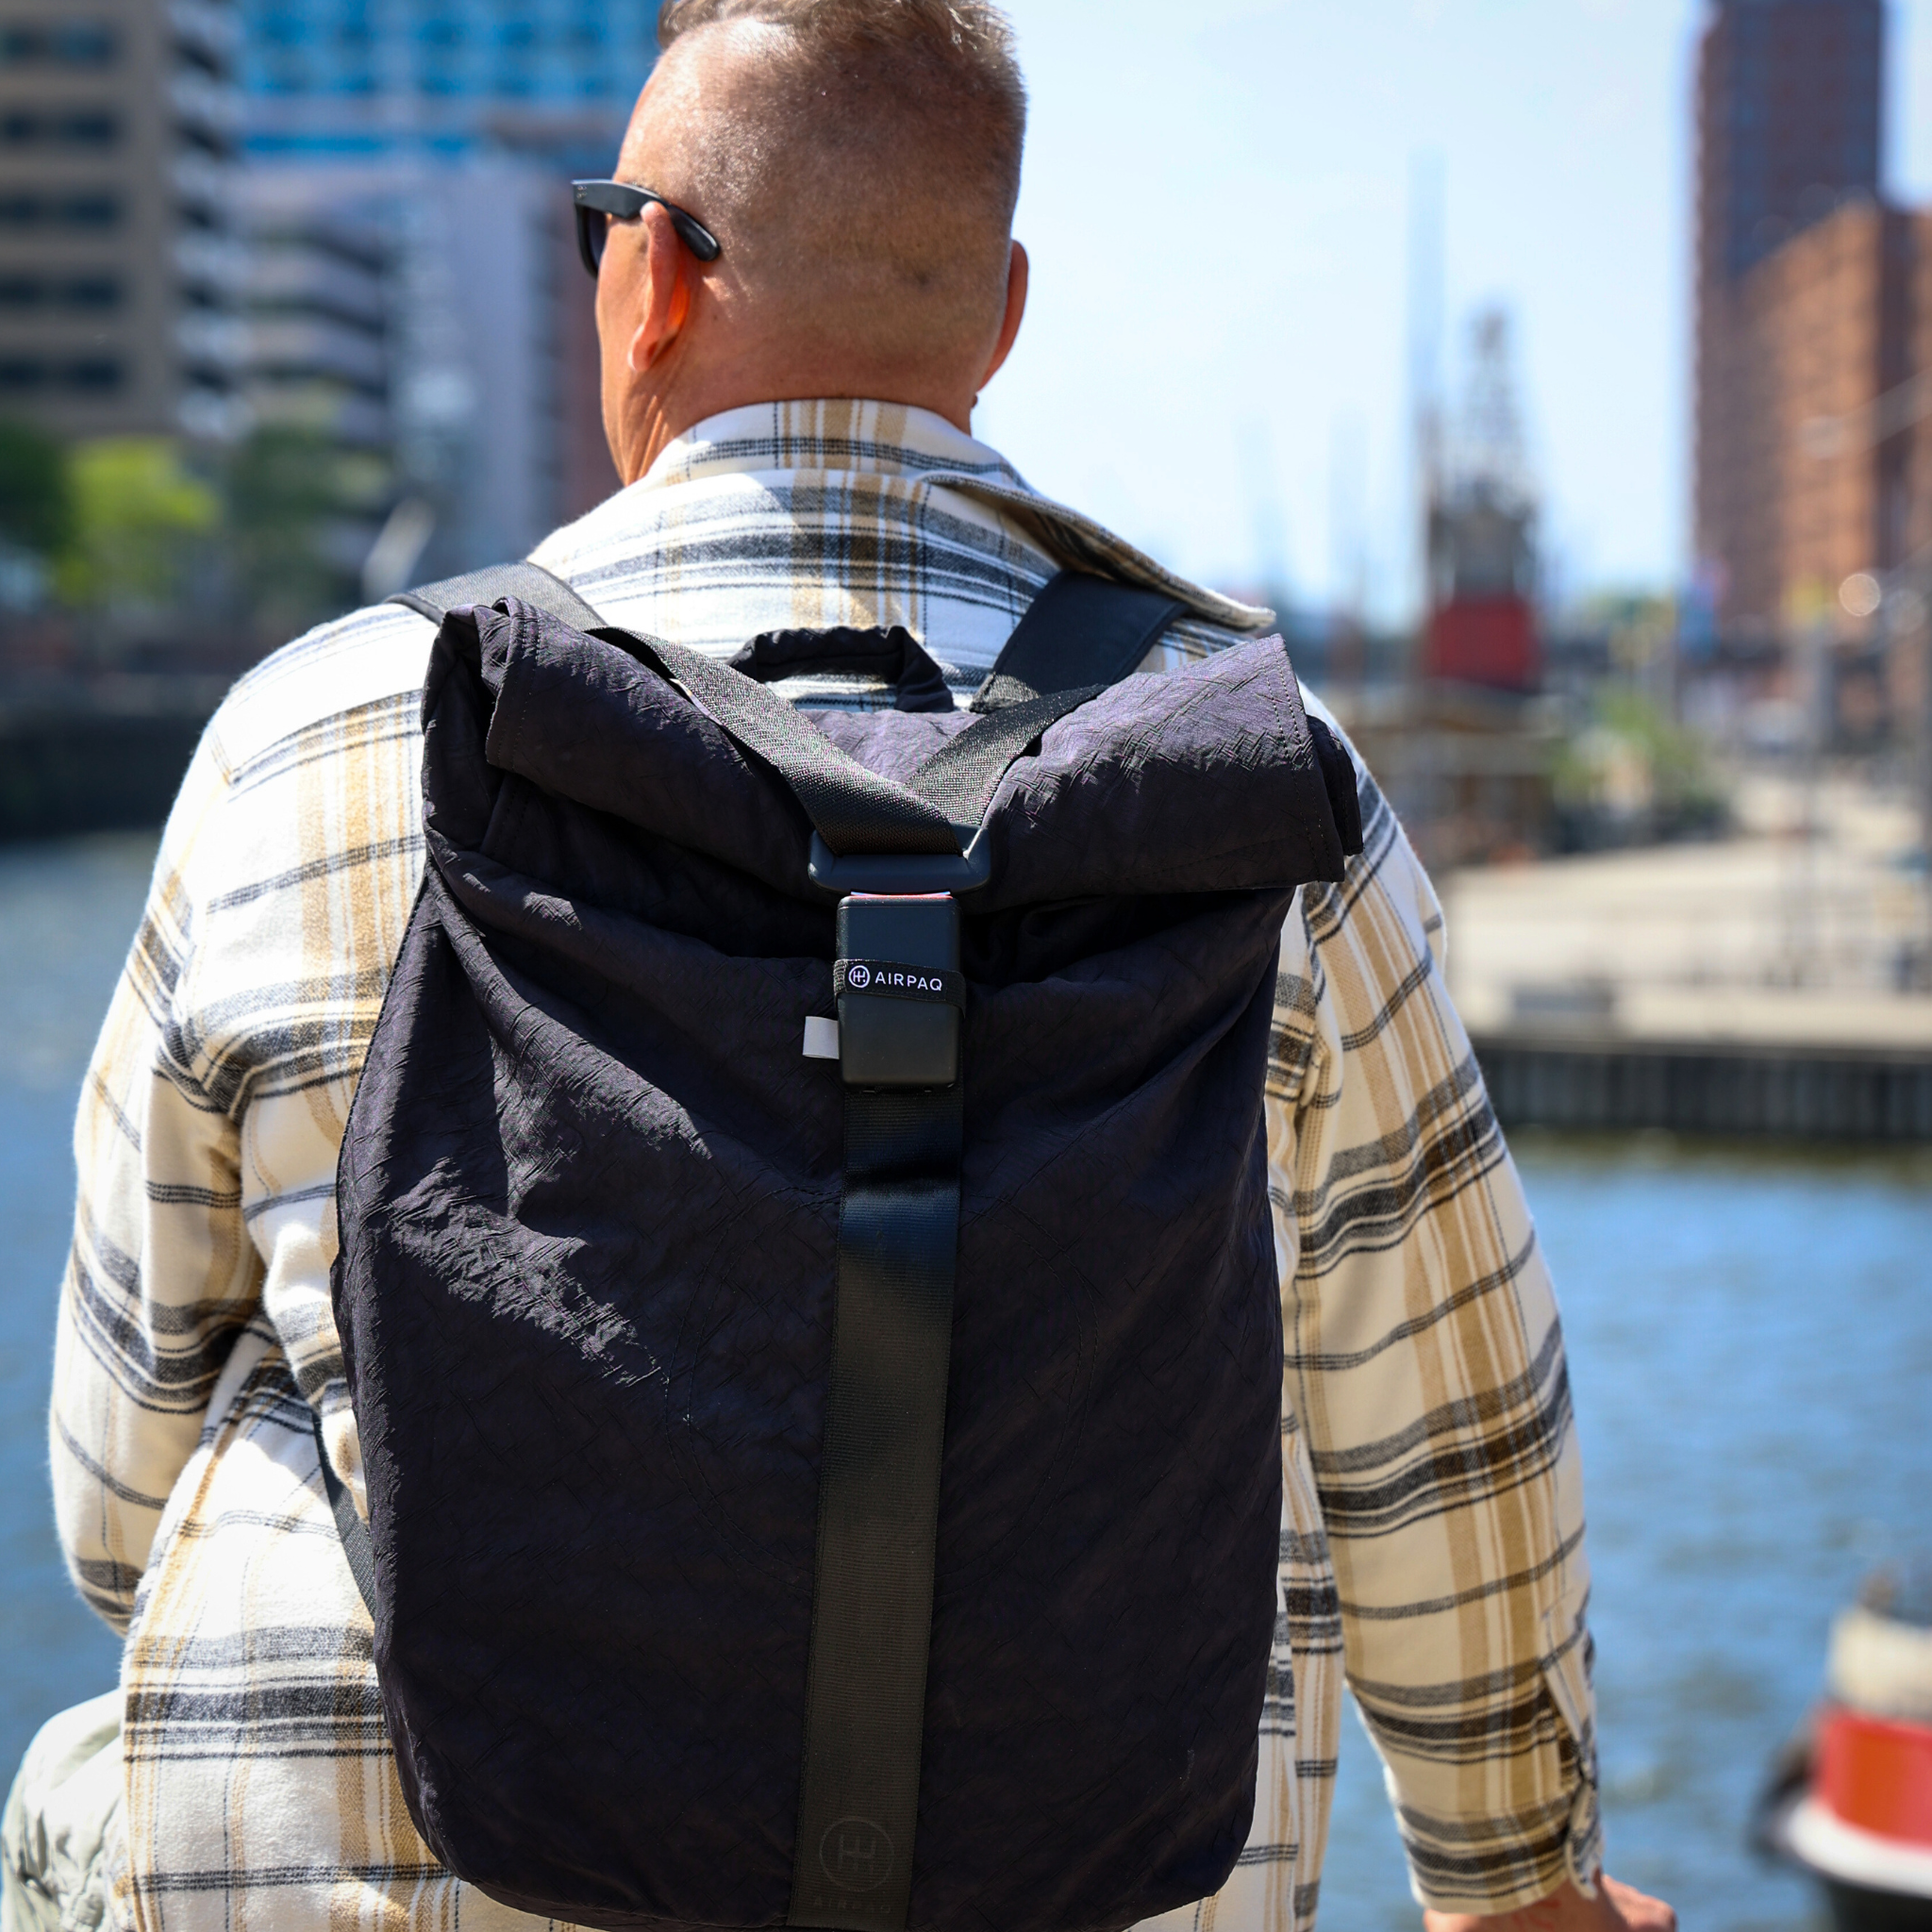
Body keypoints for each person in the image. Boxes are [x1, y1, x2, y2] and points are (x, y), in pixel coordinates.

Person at [8, 5, 1677, 1932]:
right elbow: (1449, 1418)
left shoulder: (319, 741)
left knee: (79, 1770)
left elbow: (116, 1499)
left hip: (427, 1879)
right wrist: (1516, 1884)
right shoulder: (1244, 782)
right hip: (1092, 1879)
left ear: (652, 279)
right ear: (999, 315)